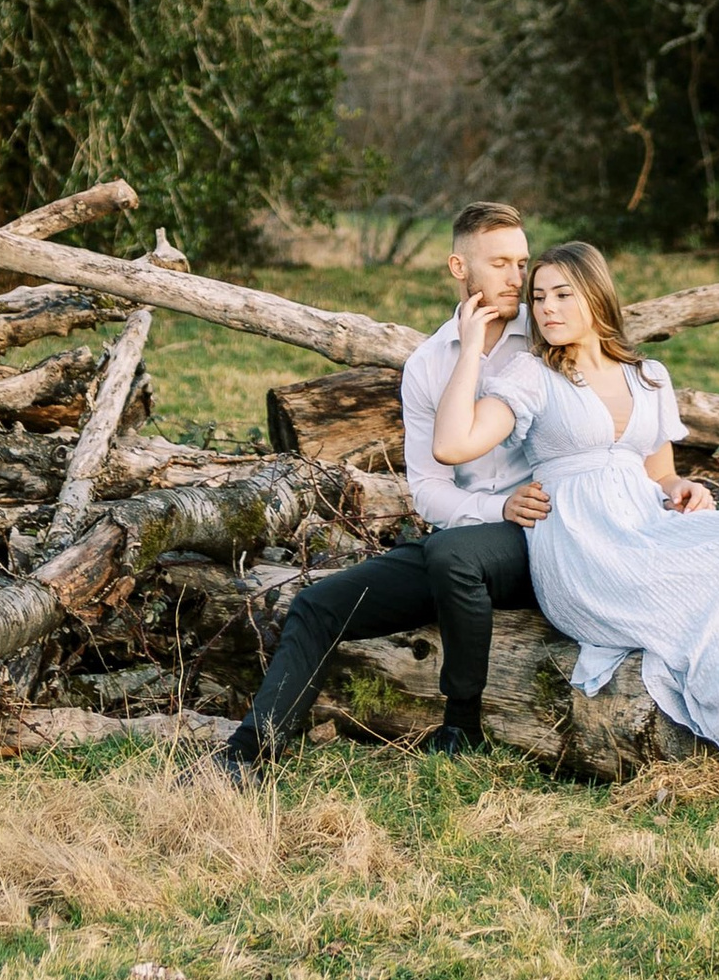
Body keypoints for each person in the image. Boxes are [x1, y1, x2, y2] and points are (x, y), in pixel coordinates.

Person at [432, 238, 719, 812]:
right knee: (718, 593)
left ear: (596, 297)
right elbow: (451, 445)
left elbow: (661, 473)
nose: (546, 309)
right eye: (538, 296)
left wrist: (681, 488)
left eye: (562, 295)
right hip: (585, 551)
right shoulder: (531, 375)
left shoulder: (648, 376)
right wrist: (471, 346)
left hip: (648, 526)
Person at [207, 201, 549, 780]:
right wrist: (495, 507)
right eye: (501, 263)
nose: (519, 277)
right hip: (460, 540)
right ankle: (249, 755)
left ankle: (460, 728)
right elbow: (430, 493)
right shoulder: (427, 365)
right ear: (458, 268)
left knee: (449, 554)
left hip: (537, 540)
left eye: (522, 262)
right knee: (317, 605)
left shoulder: (547, 340)